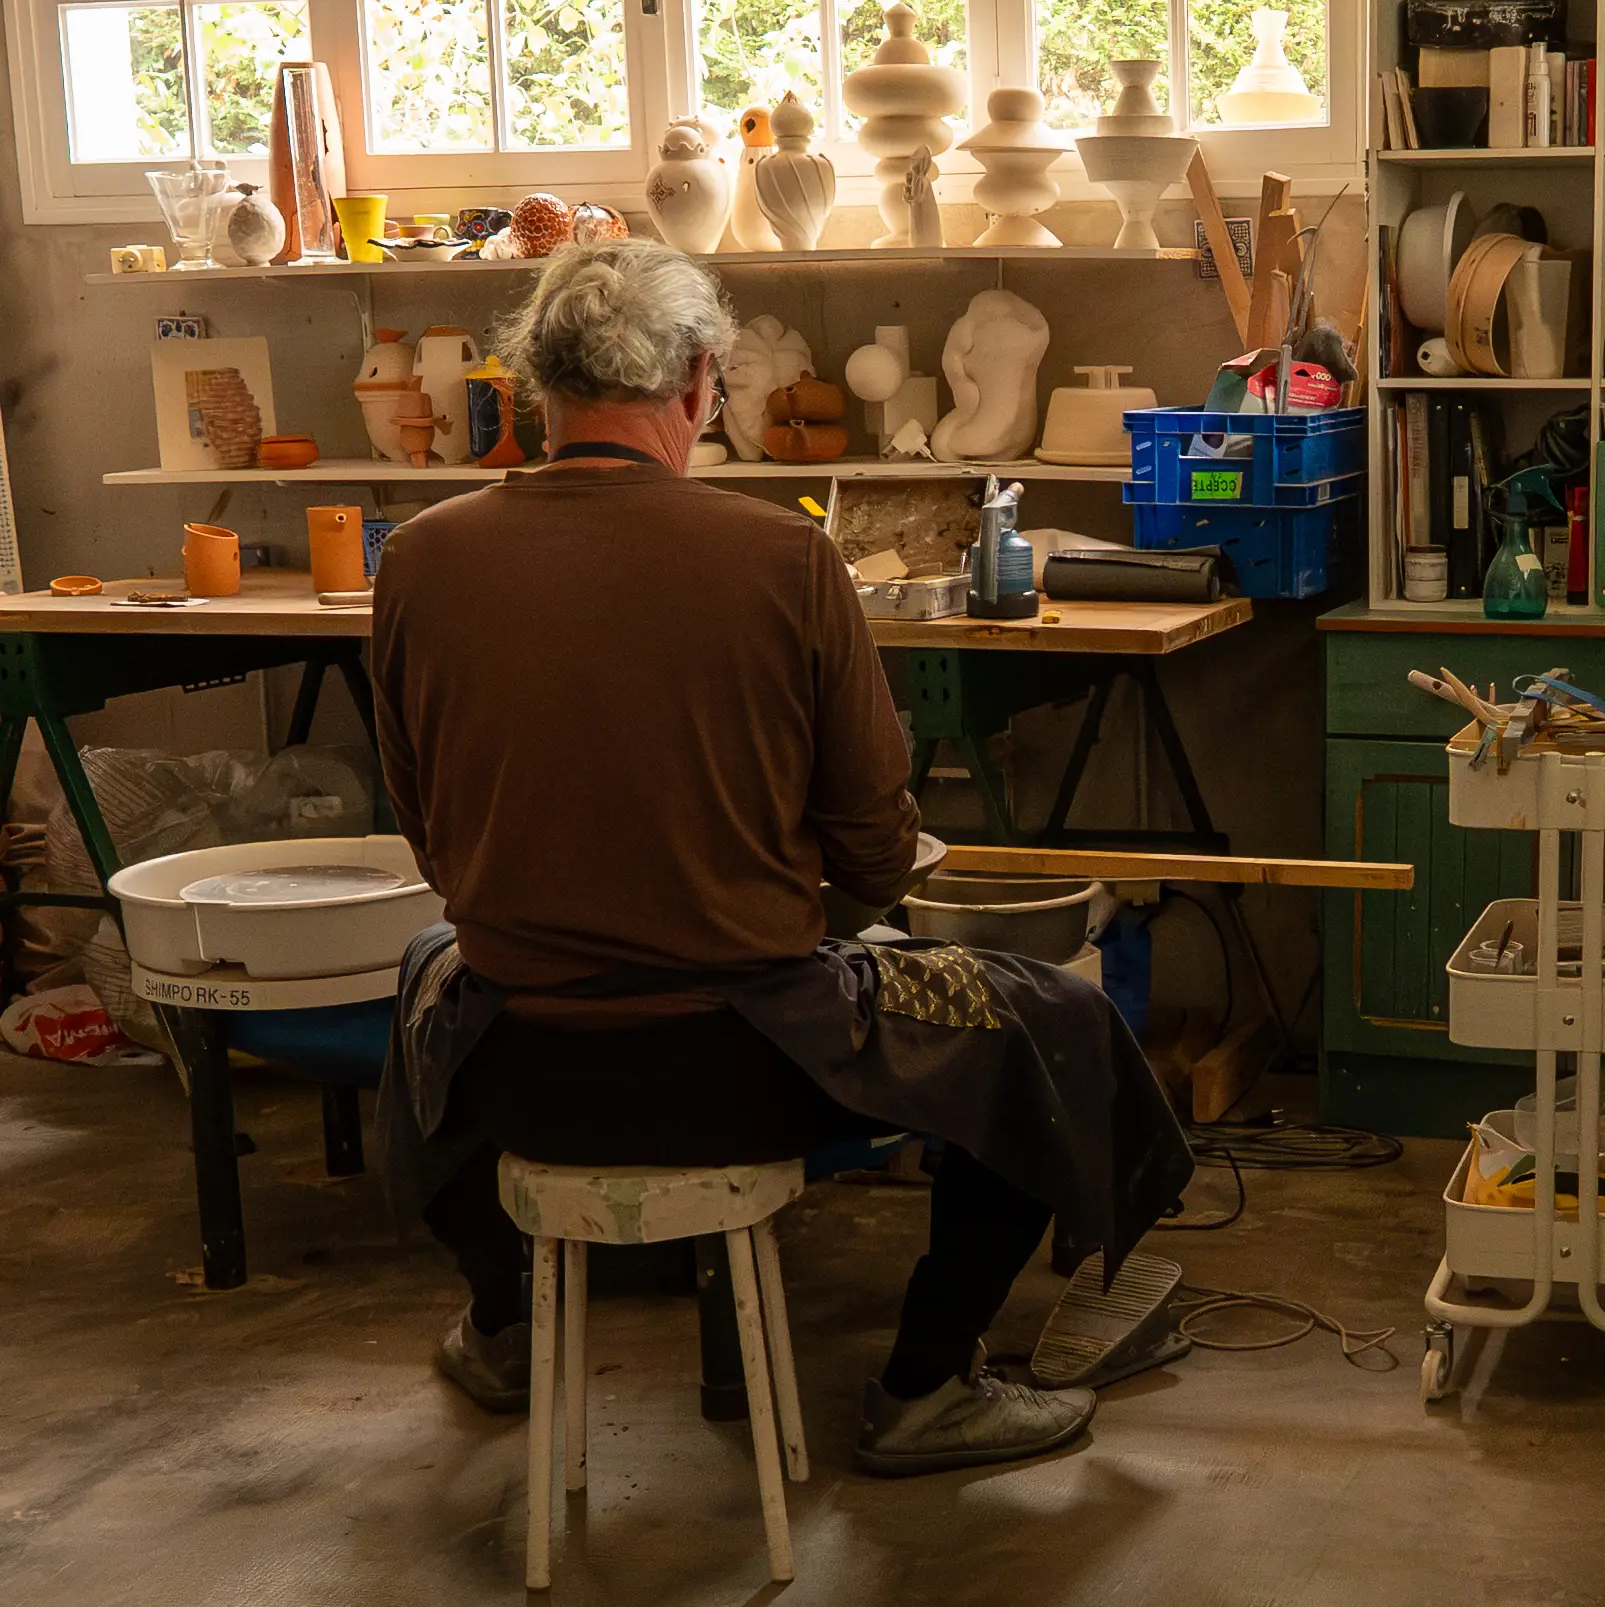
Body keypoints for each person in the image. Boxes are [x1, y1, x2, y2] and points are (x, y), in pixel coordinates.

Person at [371, 239, 1190, 1476]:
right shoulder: (784, 557)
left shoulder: (422, 558)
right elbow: (876, 850)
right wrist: (780, 889)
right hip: (743, 1063)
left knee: (425, 967)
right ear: (701, 382)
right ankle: (927, 1387)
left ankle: (502, 1322)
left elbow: (433, 838)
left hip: (523, 1063)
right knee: (1051, 1018)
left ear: (536, 386)